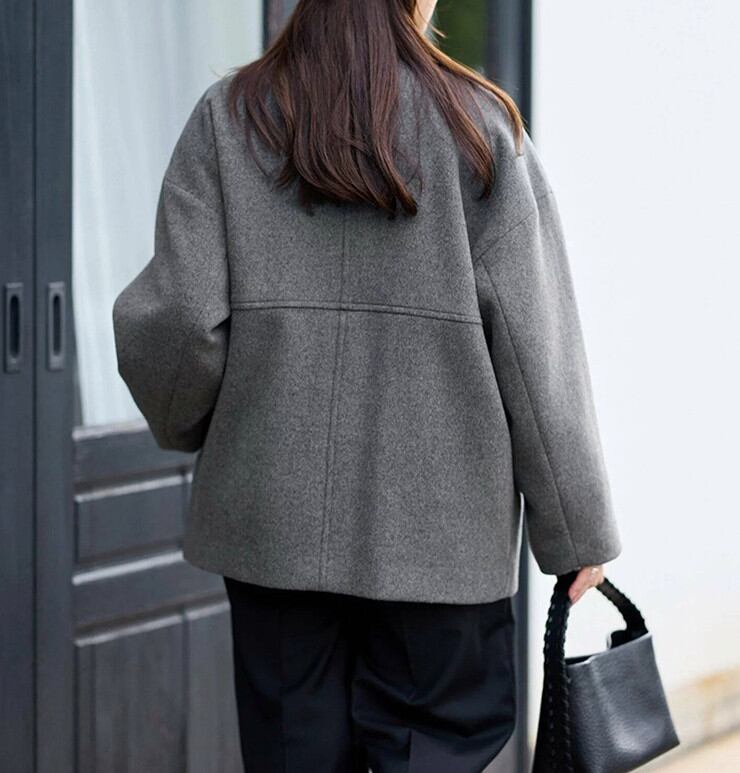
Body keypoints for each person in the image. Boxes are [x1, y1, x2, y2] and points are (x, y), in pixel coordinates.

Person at [112, 0, 622, 770]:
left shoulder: (229, 119)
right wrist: (576, 530)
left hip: (273, 533)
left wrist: (189, 417)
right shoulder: (480, 129)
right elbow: (537, 347)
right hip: (442, 545)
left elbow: (180, 322)